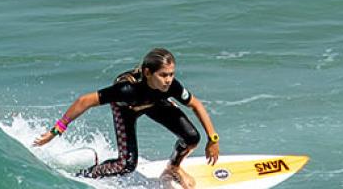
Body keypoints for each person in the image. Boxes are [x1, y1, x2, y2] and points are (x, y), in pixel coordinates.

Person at [32, 48, 221, 187]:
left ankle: (173, 167)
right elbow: (84, 101)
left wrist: (212, 138)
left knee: (192, 138)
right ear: (148, 73)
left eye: (171, 74)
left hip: (155, 104)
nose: (169, 79)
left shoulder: (171, 87)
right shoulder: (126, 90)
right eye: (163, 75)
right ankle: (85, 174)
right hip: (127, 109)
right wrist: (56, 130)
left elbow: (195, 104)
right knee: (126, 165)